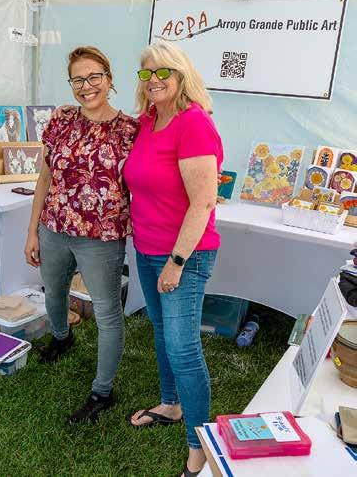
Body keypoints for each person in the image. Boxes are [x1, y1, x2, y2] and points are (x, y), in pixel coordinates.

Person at [123, 41, 223, 477]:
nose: (154, 80)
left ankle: (200, 447)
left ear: (182, 75)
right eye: (147, 73)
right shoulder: (149, 121)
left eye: (163, 71)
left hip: (184, 254)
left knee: (183, 348)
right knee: (162, 332)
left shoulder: (193, 123)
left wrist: (177, 261)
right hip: (147, 248)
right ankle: (170, 404)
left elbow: (203, 202)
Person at [24, 46, 139, 424]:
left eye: (94, 77)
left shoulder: (130, 130)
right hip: (53, 227)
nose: (86, 86)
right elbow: (45, 178)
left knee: (107, 312)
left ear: (109, 79)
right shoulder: (60, 120)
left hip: (101, 238)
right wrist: (32, 231)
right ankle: (62, 337)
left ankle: (102, 392)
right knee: (53, 292)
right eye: (78, 80)